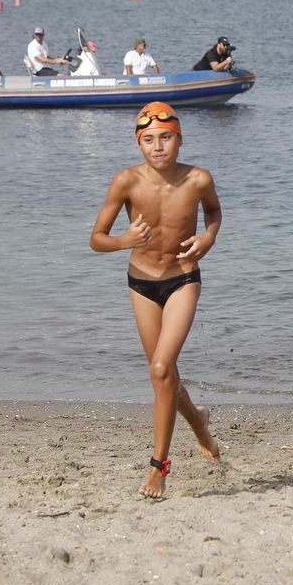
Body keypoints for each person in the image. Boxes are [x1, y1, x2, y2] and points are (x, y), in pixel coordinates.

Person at [89, 102, 222, 499]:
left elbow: (214, 212)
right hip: (141, 283)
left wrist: (207, 239)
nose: (158, 146)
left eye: (166, 137)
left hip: (183, 278)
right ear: (139, 143)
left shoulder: (198, 179)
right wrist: (123, 241)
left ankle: (159, 466)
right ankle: (199, 423)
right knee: (163, 375)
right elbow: (96, 239)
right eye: (148, 139)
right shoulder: (126, 182)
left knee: (162, 368)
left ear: (179, 139)